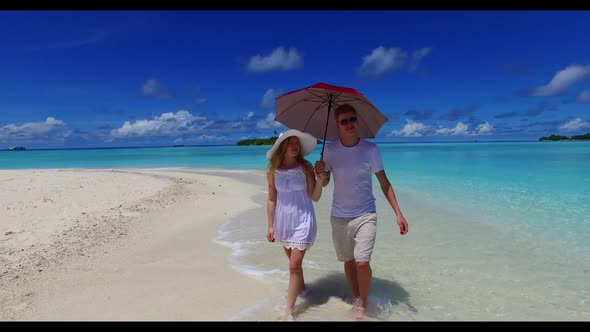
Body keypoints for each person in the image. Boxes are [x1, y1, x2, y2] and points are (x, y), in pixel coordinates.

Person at [314, 103, 409, 318]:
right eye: (344, 121)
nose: (349, 124)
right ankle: (356, 296)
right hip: (339, 215)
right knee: (348, 261)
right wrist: (320, 174)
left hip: (366, 213)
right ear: (337, 125)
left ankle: (362, 302)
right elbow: (325, 182)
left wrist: (398, 213)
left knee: (362, 262)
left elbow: (384, 183)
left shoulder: (370, 150)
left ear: (358, 121)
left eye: (352, 119)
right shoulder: (330, 151)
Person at [266, 129, 327, 321]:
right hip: (283, 221)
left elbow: (315, 197)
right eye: (290, 142)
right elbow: (271, 199)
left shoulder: (305, 167)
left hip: (303, 219)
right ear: (282, 147)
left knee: (294, 266)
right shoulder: (272, 170)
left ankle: (289, 312)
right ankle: (303, 290)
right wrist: (270, 225)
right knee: (295, 267)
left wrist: (320, 180)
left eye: (297, 143)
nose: (294, 146)